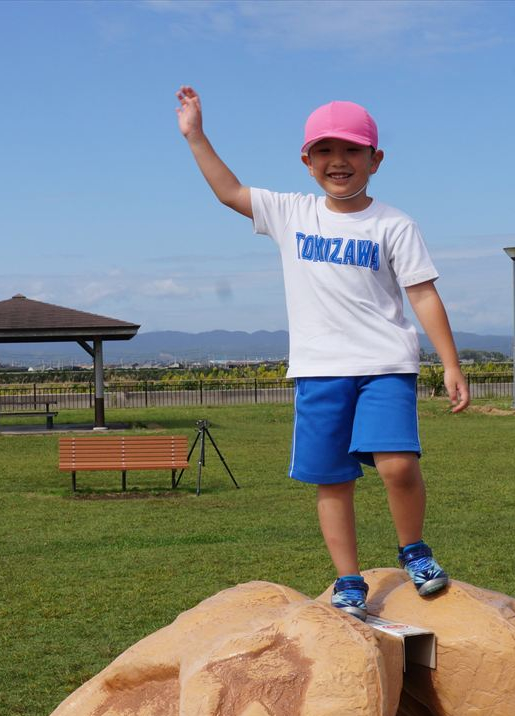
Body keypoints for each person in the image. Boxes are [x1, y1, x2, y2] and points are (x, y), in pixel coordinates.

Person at [176, 86, 470, 621]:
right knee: (332, 480)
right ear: (307, 162)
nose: (340, 161)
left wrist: (450, 363)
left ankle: (414, 551)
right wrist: (196, 136)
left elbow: (422, 293)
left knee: (398, 466)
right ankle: (348, 578)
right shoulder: (292, 213)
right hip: (318, 371)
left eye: (353, 151)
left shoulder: (394, 224)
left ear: (375, 160)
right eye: (326, 152)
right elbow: (229, 191)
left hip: (384, 365)